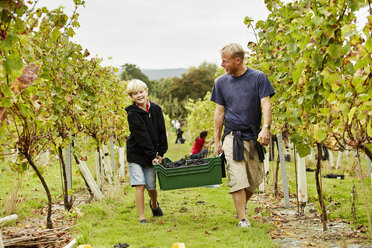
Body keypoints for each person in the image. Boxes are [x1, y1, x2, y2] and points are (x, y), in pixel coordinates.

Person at [210, 43, 275, 228]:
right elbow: (219, 112)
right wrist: (217, 141)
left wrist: (266, 127)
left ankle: (241, 208)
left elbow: (266, 104)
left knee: (254, 180)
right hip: (232, 136)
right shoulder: (220, 82)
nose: (222, 64)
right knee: (237, 176)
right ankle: (242, 219)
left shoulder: (258, 78)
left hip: (253, 135)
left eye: (225, 61)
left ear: (238, 60)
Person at [125, 79, 168, 223]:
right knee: (140, 184)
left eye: (141, 92)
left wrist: (160, 153)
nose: (139, 95)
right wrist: (152, 155)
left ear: (146, 91)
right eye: (135, 94)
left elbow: (162, 132)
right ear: (131, 97)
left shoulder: (156, 109)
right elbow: (141, 136)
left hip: (152, 154)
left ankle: (154, 204)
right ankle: (141, 216)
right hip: (136, 153)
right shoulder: (132, 114)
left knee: (151, 186)